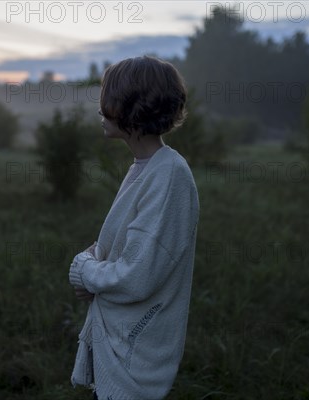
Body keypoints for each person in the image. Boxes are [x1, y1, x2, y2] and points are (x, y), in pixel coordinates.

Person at [68, 55, 200, 400]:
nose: (100, 108)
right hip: (118, 342)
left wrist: (84, 271)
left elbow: (137, 274)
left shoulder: (169, 175)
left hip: (135, 356)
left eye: (107, 97)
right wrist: (92, 271)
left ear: (132, 107)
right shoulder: (144, 167)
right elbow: (114, 249)